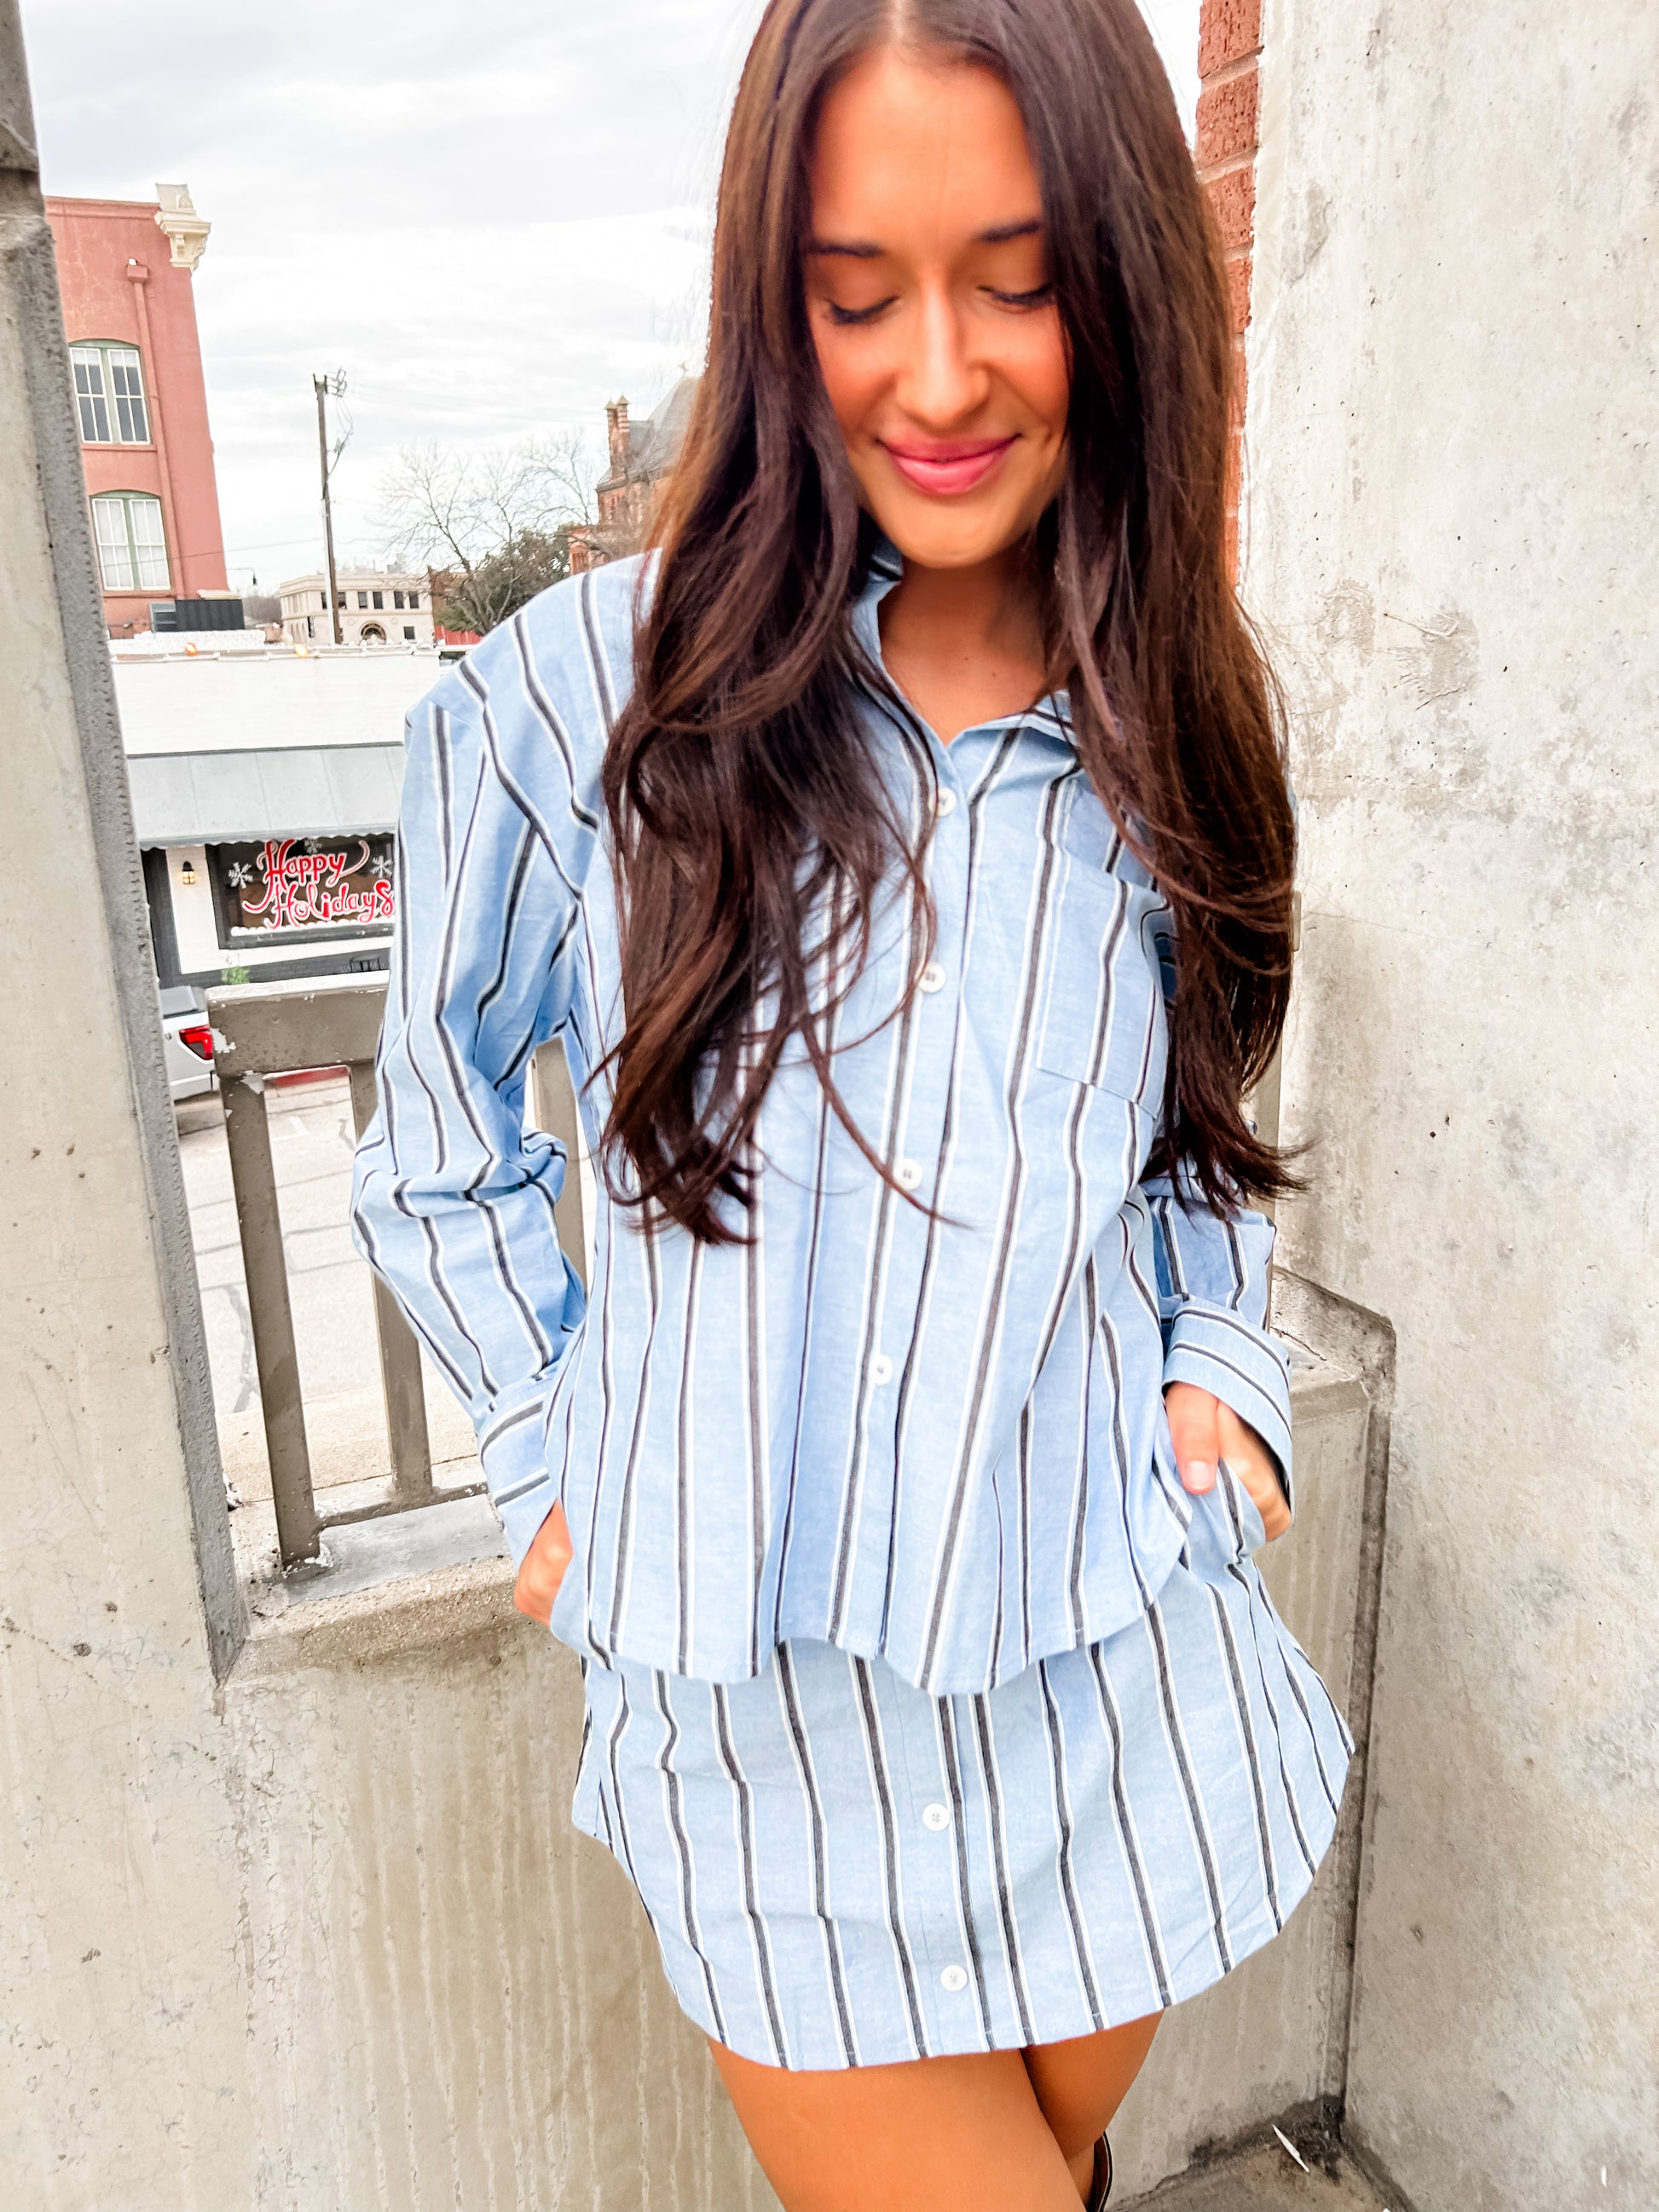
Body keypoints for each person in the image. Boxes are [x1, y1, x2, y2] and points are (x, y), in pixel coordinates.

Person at [351, 3, 1351, 2204]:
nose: (938, 373)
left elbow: (1193, 1115)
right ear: (768, 298)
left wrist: (1218, 1351)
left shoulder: (1169, 715)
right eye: (855, 291)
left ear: (1121, 280)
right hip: (766, 1730)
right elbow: (434, 1133)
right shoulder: (574, 707)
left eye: (1017, 280)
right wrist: (547, 1435)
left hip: (1108, 1663)